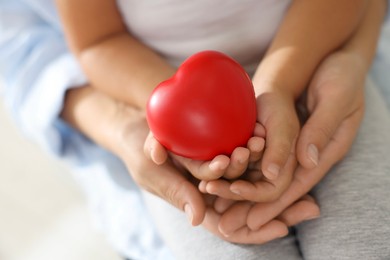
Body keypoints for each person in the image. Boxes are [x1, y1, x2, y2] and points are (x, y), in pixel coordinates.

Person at [1, 1, 389, 260]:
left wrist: (280, 83)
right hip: (175, 125)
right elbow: (97, 43)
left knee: (366, 242)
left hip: (314, 67)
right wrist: (178, 115)